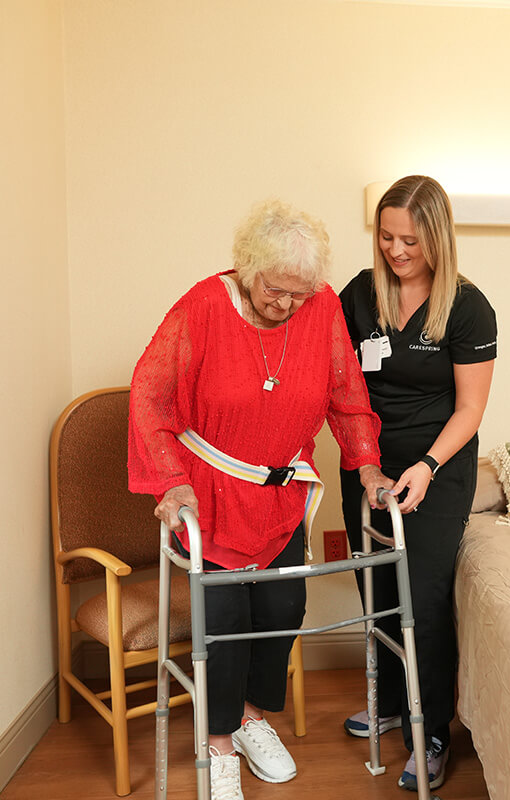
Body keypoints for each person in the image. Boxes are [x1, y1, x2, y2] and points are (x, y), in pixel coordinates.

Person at [128, 199, 391, 800]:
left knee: (279, 610)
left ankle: (248, 717)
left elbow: (347, 396)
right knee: (223, 621)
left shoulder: (320, 308)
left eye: (300, 294)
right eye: (277, 290)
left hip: (280, 496)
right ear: (247, 268)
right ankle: (217, 741)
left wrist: (368, 468)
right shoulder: (201, 308)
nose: (288, 305)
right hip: (210, 493)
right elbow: (150, 395)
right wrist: (171, 480)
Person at [339, 175, 497, 791]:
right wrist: (364, 465)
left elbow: (469, 408)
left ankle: (430, 731)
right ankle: (388, 704)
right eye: (385, 237)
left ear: (437, 237)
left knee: (424, 599)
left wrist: (427, 467)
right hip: (370, 465)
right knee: (374, 586)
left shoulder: (467, 306)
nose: (396, 251)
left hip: (437, 465)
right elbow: (334, 381)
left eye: (409, 239)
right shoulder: (360, 295)